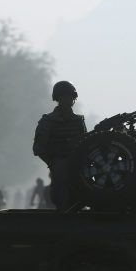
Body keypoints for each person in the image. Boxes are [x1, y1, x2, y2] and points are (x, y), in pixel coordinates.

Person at [33, 81, 87, 210]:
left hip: (78, 169)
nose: (69, 99)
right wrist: (54, 163)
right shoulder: (48, 121)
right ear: (58, 98)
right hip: (60, 168)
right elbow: (38, 148)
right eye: (65, 96)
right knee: (62, 202)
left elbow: (85, 144)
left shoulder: (78, 121)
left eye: (71, 96)